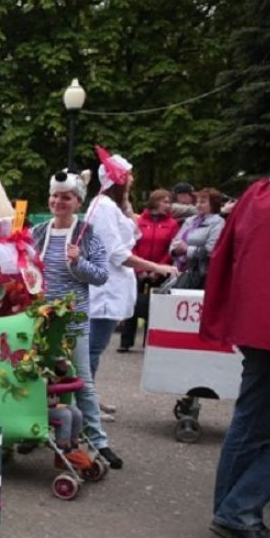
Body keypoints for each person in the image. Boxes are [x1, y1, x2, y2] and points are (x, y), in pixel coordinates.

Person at [201, 126, 270, 538]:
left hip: (259, 327)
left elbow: (225, 256)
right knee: (265, 427)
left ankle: (232, 510)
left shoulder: (257, 195)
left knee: (251, 423)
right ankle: (237, 511)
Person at [30, 169, 114, 467]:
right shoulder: (38, 232)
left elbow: (102, 276)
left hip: (74, 322)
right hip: (40, 323)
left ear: (78, 201)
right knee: (39, 380)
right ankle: (36, 433)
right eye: (54, 196)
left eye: (65, 197)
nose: (58, 201)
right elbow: (25, 269)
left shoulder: (87, 234)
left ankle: (98, 440)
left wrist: (78, 262)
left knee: (82, 383)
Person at [85, 147, 176, 401]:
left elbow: (134, 234)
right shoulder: (102, 207)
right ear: (119, 179)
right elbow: (117, 254)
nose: (133, 180)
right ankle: (86, 404)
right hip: (104, 290)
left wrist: (126, 204)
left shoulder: (112, 206)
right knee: (93, 350)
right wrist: (157, 267)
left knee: (95, 349)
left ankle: (89, 400)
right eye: (129, 175)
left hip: (111, 289)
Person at [118, 189, 180, 352]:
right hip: (138, 268)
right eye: (165, 201)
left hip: (159, 269)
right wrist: (140, 268)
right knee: (132, 302)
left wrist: (158, 269)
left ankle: (150, 342)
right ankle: (126, 341)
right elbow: (131, 245)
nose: (168, 205)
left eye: (169, 202)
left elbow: (170, 249)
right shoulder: (138, 221)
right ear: (155, 201)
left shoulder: (172, 223)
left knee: (154, 305)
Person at [170, 187, 225, 289]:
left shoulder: (218, 223)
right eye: (197, 202)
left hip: (200, 275)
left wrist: (186, 250)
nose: (198, 205)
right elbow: (175, 242)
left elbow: (211, 250)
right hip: (179, 270)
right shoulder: (189, 220)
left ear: (213, 204)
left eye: (202, 202)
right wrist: (175, 250)